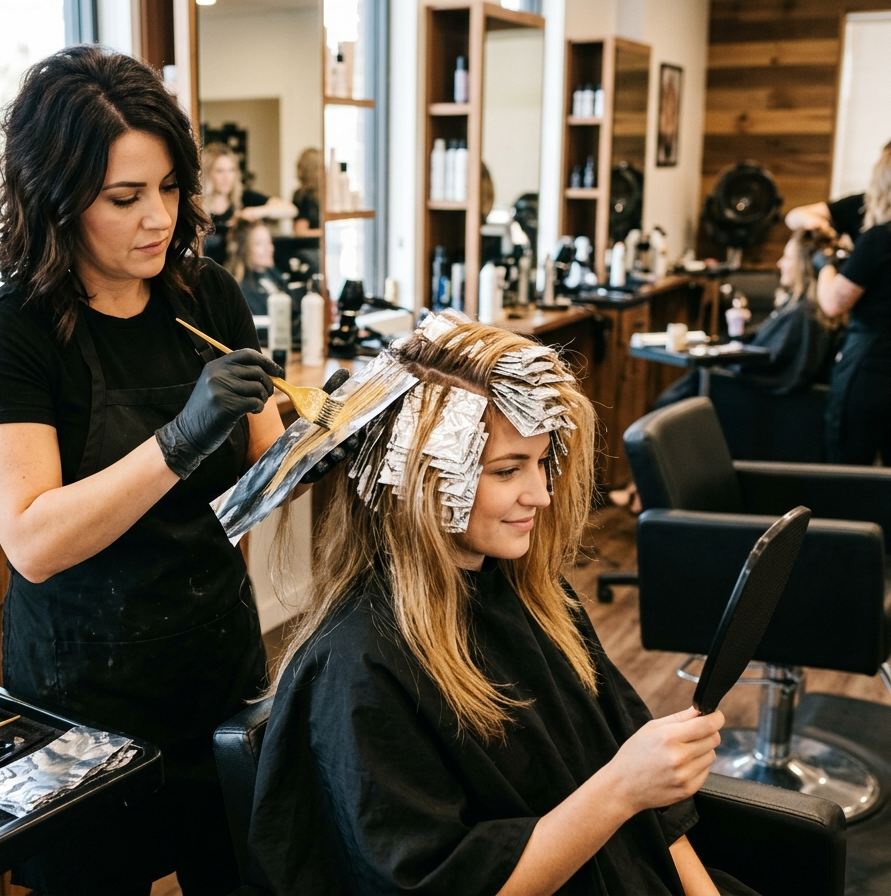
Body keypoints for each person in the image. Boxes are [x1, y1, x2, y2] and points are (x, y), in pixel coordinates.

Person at [250, 317, 757, 895]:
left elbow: (657, 816)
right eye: (507, 470)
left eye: (541, 463)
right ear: (422, 479)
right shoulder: (358, 671)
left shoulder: (538, 598)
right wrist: (621, 787)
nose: (540, 494)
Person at [0, 46, 288, 896]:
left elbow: (272, 468)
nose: (159, 219)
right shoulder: (10, 333)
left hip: (216, 668)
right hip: (84, 699)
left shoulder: (207, 296)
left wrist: (347, 434)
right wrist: (179, 438)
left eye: (170, 188)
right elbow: (33, 539)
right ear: (57, 198)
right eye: (125, 198)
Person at [652, 228, 844, 408]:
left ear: (803, 266)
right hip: (748, 396)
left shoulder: (804, 314)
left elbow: (768, 369)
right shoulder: (805, 310)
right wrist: (738, 335)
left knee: (667, 406)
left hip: (745, 399)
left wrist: (727, 357)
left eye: (786, 258)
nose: (780, 263)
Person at [815, 141, 891, 465]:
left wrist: (825, 265)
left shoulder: (879, 238)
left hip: (871, 365)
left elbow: (834, 303)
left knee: (850, 465)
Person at [200, 142, 295, 263]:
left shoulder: (244, 198)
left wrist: (253, 212)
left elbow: (291, 210)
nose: (227, 177)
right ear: (207, 174)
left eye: (231, 170)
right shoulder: (197, 206)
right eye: (220, 171)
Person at [291, 147, 321, 237]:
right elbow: (301, 231)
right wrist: (327, 232)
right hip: (310, 248)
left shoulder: (321, 195)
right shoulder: (302, 197)